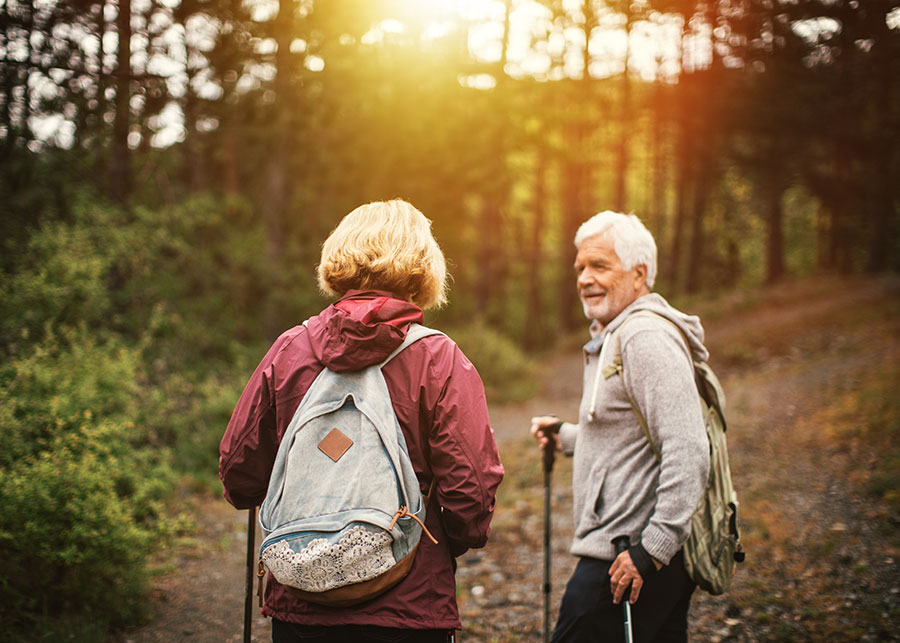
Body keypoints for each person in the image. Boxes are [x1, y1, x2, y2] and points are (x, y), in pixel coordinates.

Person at [219, 199, 504, 643]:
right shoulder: (439, 358)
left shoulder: (289, 351)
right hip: (407, 603)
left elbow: (240, 476)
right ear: (422, 267)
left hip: (300, 598)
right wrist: (441, 542)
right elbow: (471, 490)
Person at [531, 211, 710, 642]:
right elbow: (630, 432)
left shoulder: (642, 337)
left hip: (628, 555)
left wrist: (652, 551)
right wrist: (567, 437)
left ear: (639, 273)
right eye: (579, 268)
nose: (584, 279)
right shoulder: (615, 333)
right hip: (636, 553)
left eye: (599, 265)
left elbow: (688, 446)